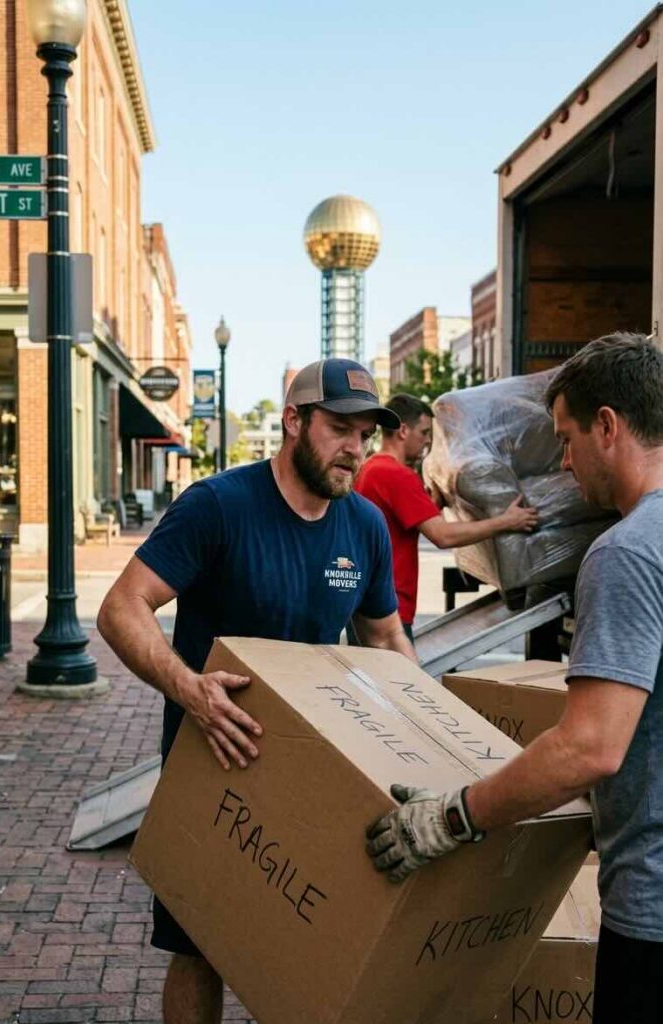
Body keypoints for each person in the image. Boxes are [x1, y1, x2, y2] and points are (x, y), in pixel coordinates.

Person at [97, 357, 417, 1024]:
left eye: (365, 433)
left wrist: (423, 745)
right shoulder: (218, 506)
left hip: (317, 772)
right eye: (338, 428)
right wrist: (189, 690)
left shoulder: (362, 526)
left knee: (317, 944)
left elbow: (386, 641)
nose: (354, 448)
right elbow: (123, 607)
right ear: (293, 421)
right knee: (198, 946)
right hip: (212, 761)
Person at [365, 333, 663, 1024]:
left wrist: (453, 815)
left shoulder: (625, 554)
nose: (563, 461)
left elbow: (590, 748)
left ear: (609, 428)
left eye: (566, 438)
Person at [353, 392, 538, 639]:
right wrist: (506, 521)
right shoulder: (396, 475)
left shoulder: (370, 469)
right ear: (403, 430)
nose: (428, 441)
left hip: (365, 605)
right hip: (388, 609)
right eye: (424, 432)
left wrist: (433, 505)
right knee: (397, 677)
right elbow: (442, 536)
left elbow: (396, 524)